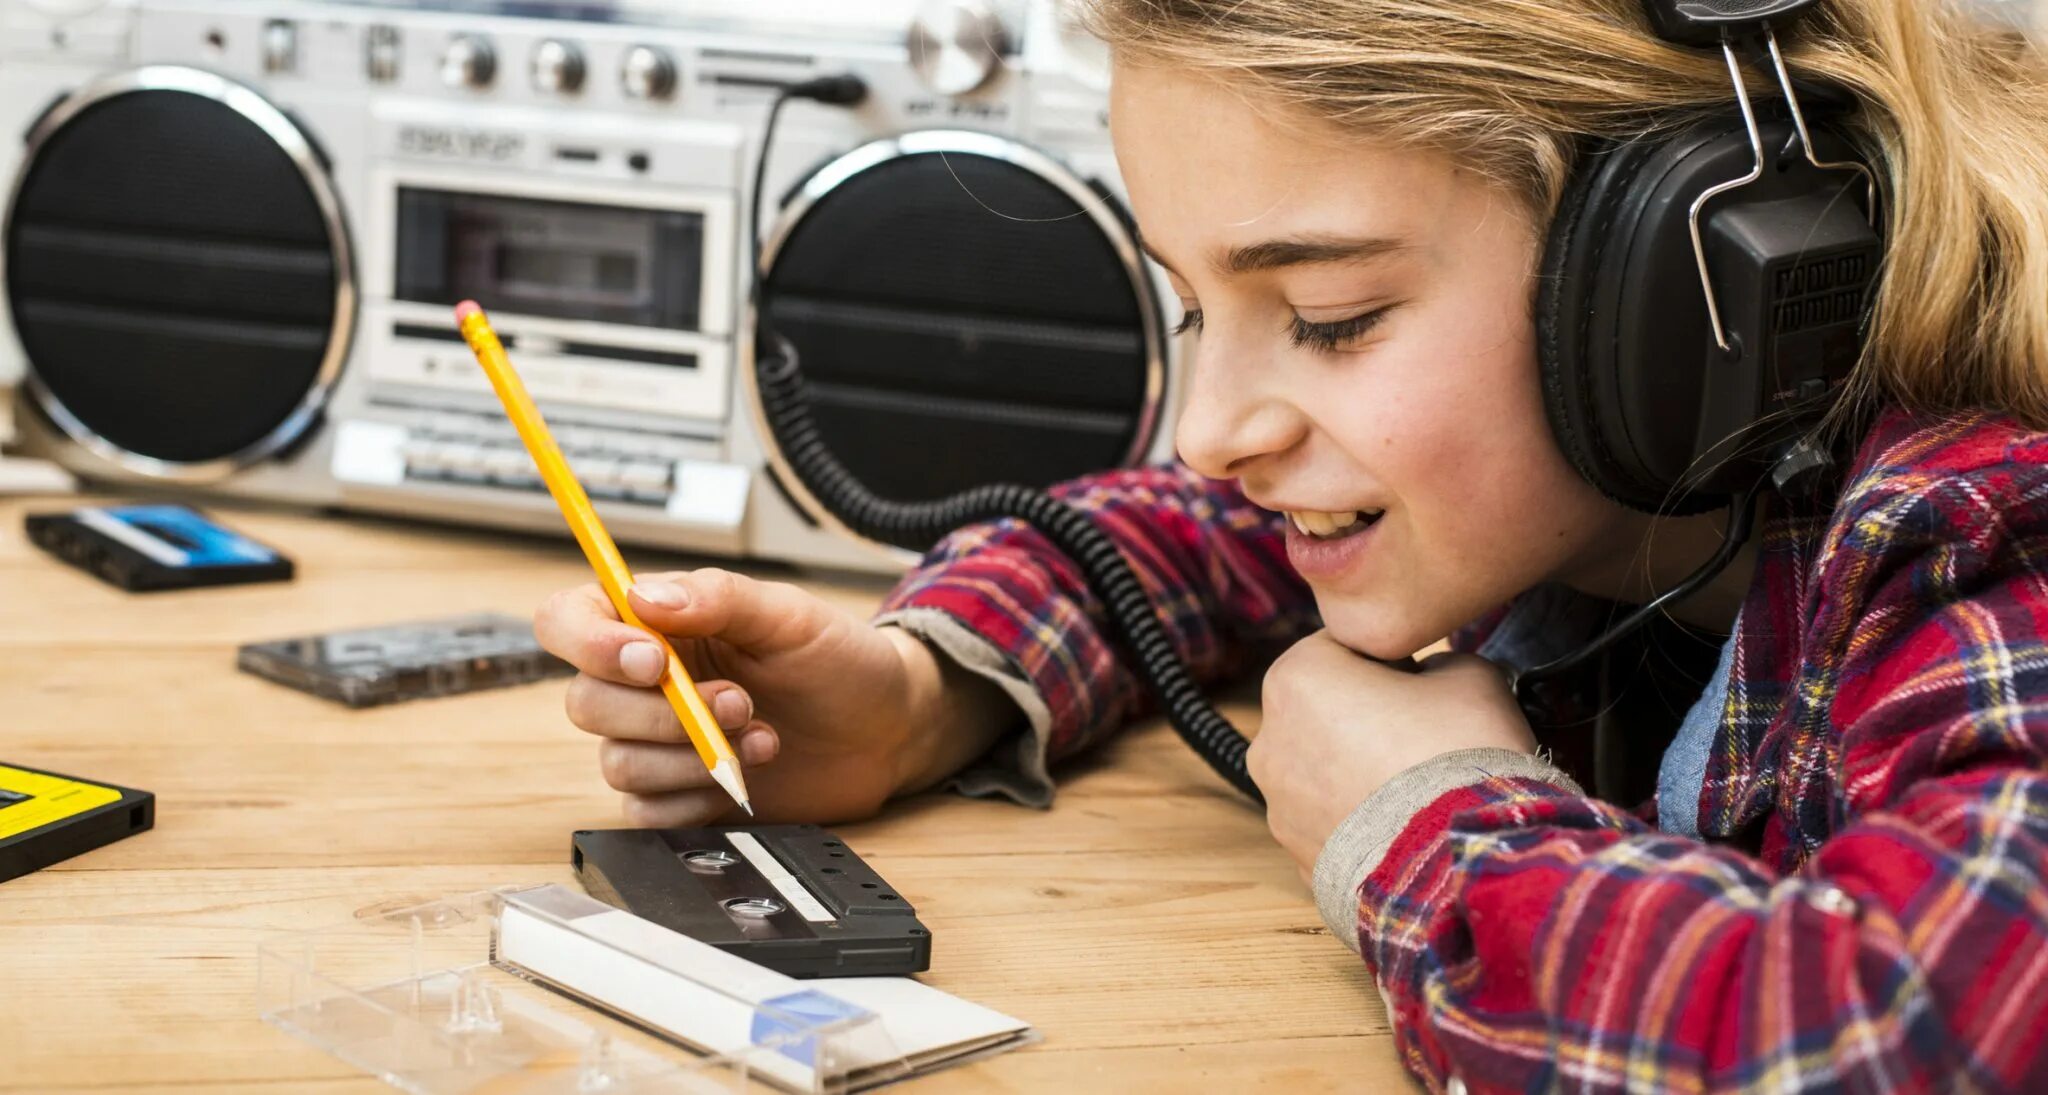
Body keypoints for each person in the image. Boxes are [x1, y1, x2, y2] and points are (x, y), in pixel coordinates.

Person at [533, 0, 2048, 1088]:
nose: (1209, 426)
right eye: (1200, 307)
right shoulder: (1580, 491)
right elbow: (1200, 536)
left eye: (1329, 319)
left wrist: (1425, 825)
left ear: (1690, 270)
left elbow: (1911, 1036)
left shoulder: (1990, 529)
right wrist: (926, 691)